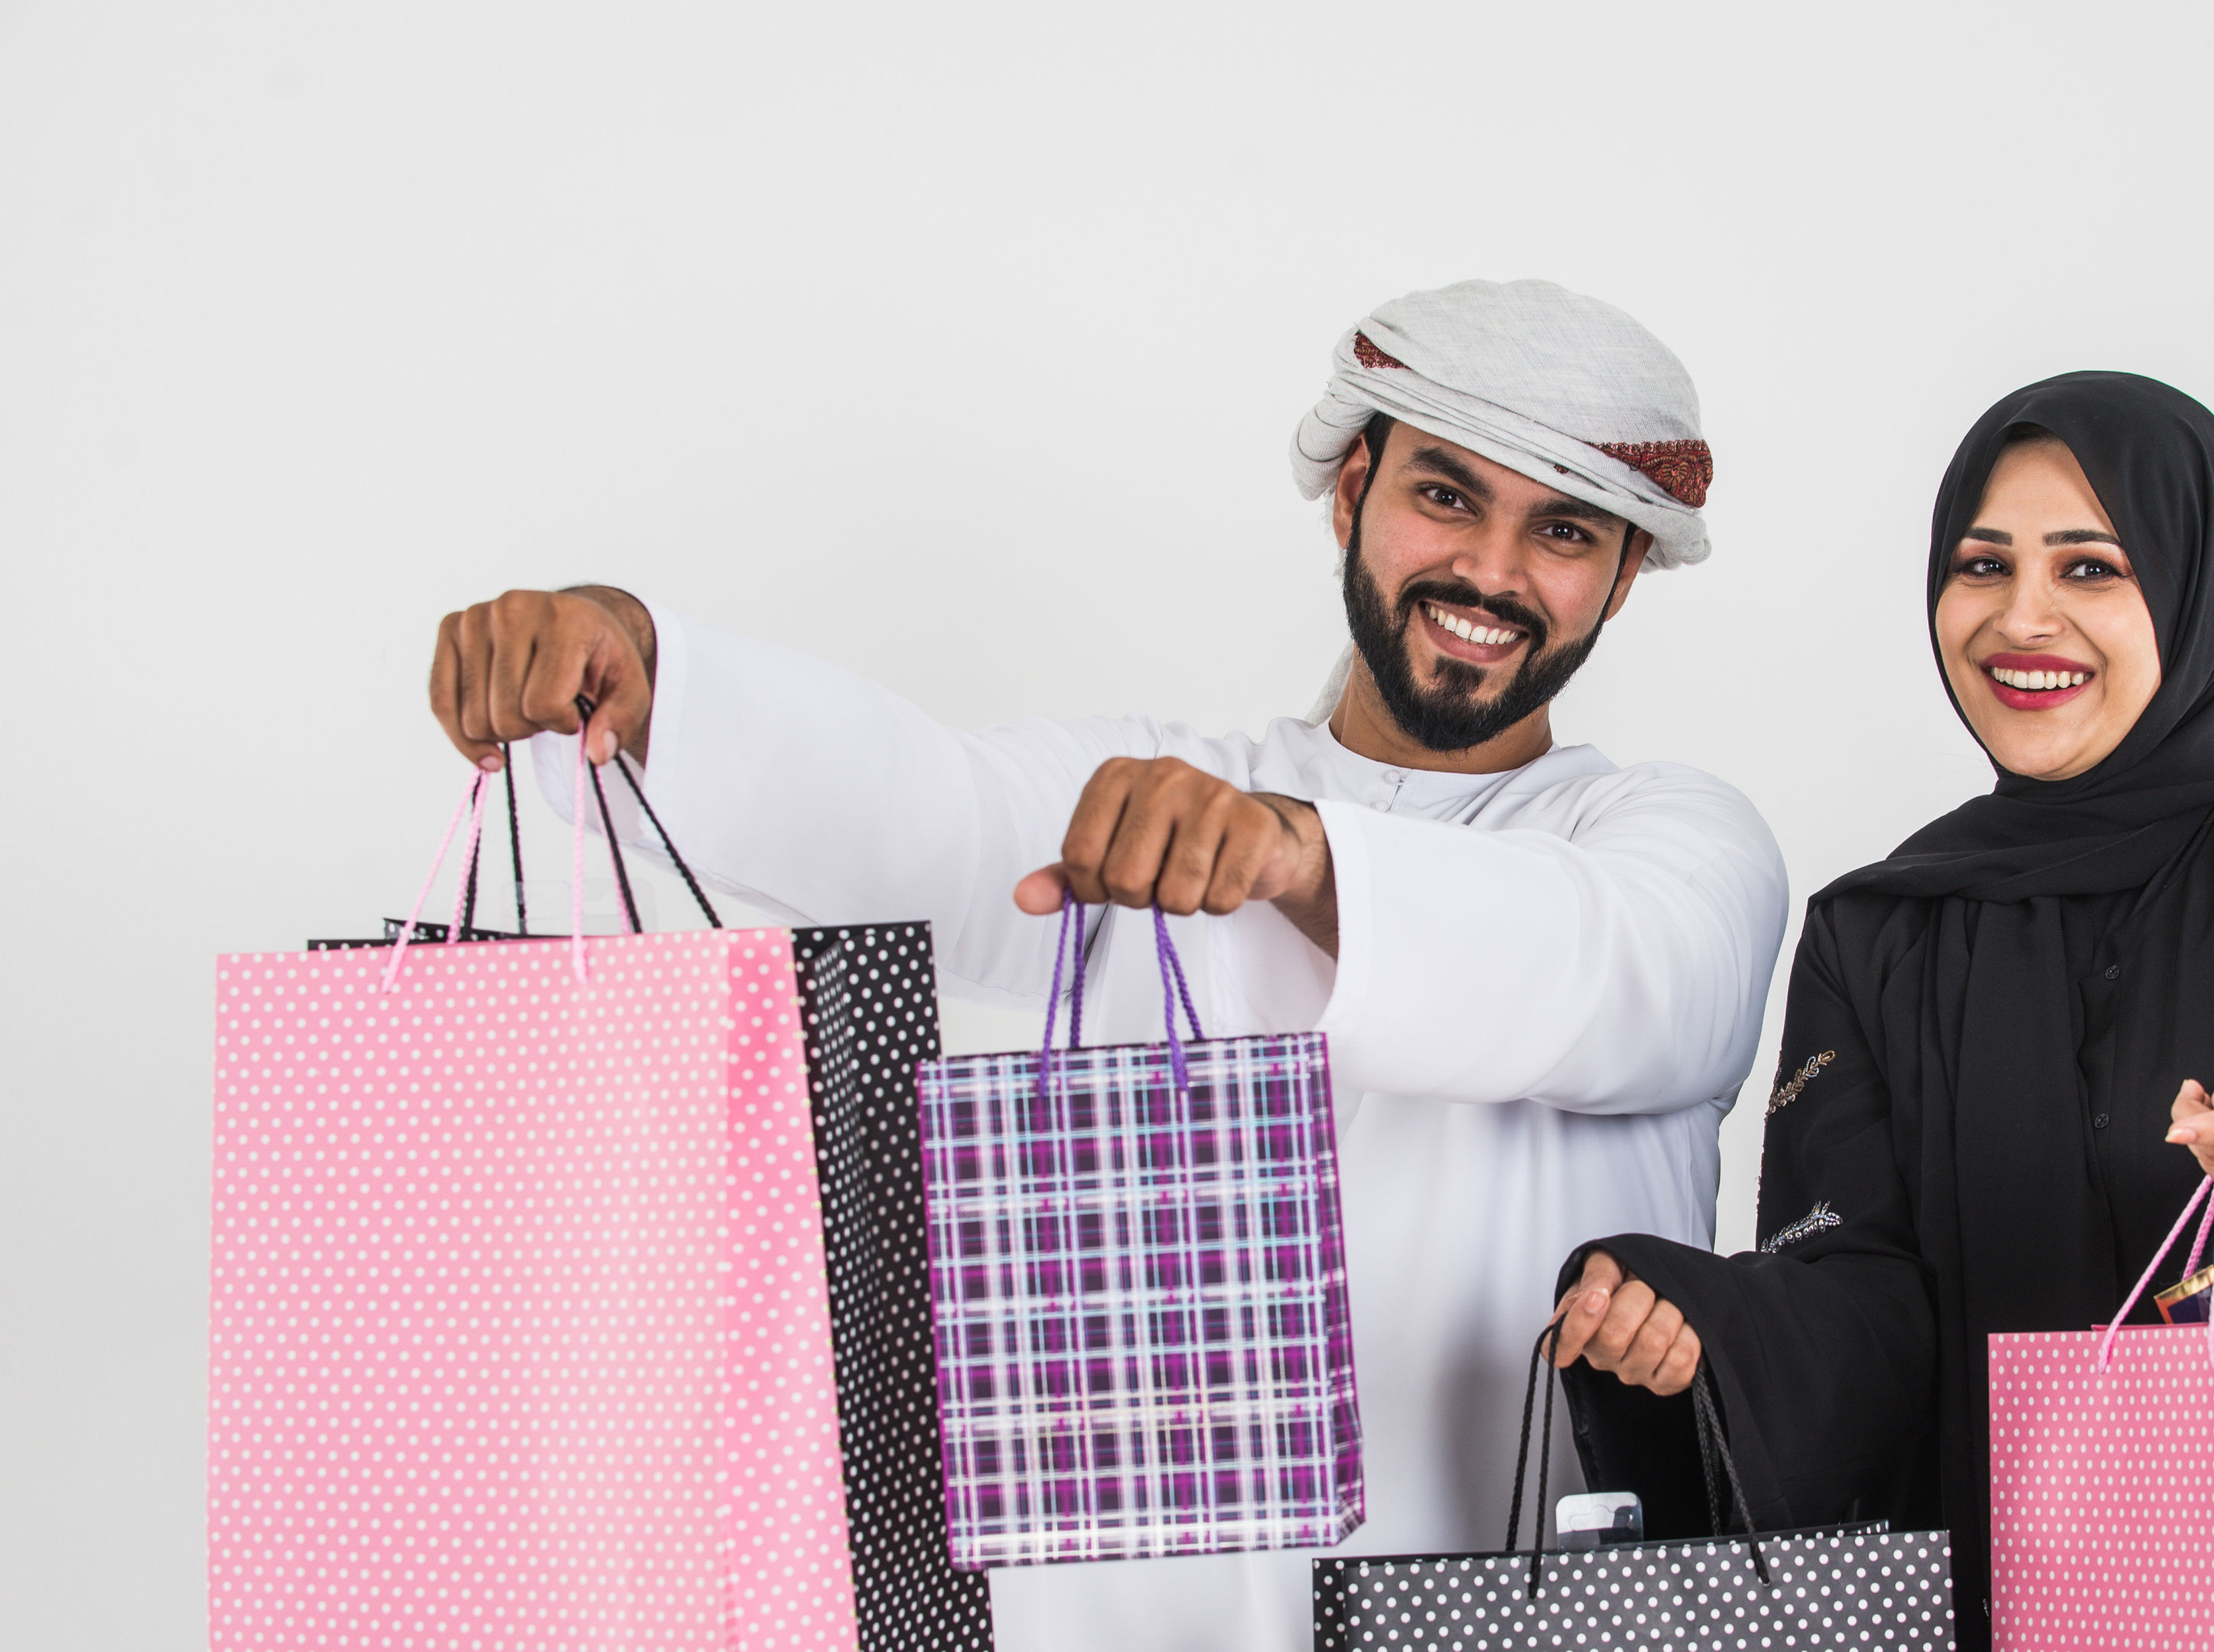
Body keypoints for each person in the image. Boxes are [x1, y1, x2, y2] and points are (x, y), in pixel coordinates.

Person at [425, 278, 1789, 1652]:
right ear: (1352, 492)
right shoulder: (1160, 792)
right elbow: (915, 806)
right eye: (1446, 495)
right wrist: (648, 667)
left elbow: (1613, 970)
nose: (1492, 572)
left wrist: (1293, 859)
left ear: (1621, 573)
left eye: (1561, 530)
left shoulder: (1674, 843)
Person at [1547, 371, 2214, 1640]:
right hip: (1994, 1594)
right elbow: (1861, 1297)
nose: (2021, 619)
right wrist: (1703, 1321)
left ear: (2197, 588)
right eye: (1983, 567)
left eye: (2091, 569)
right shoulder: (1878, 927)